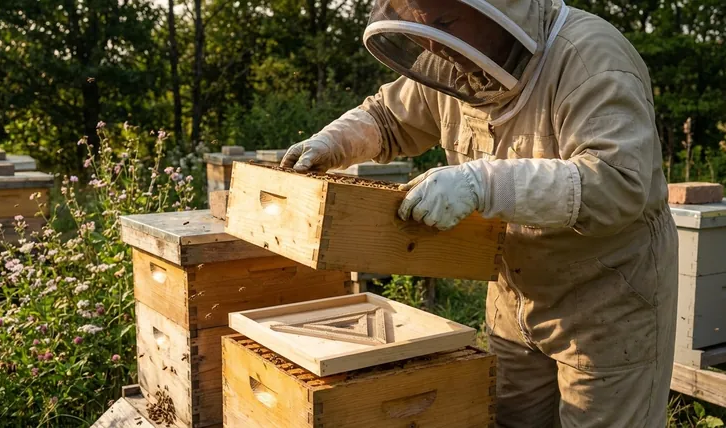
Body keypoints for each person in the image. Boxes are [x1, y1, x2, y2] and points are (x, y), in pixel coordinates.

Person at [281, 1, 679, 427]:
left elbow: (617, 184)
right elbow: (389, 116)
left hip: (608, 301)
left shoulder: (591, 59)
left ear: (502, 10)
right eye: (423, 27)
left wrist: (483, 184)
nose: (435, 44)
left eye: (447, 23)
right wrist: (333, 142)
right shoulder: (453, 62)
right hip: (515, 296)